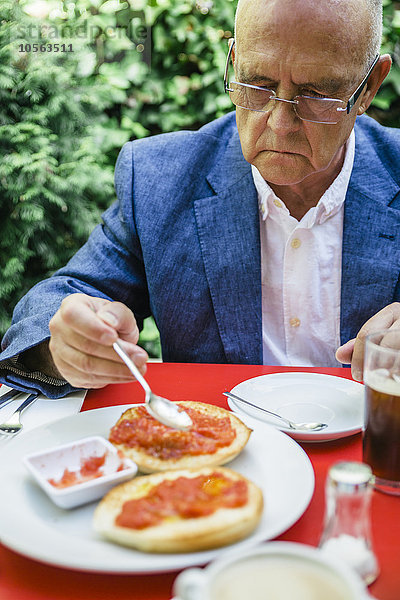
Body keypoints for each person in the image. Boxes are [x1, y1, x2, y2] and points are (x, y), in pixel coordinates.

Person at [0, 0, 399, 398]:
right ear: (234, 60)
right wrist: (69, 344)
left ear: (369, 88)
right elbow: (63, 298)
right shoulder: (160, 178)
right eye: (257, 85)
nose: (279, 123)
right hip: (213, 449)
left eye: (314, 95)